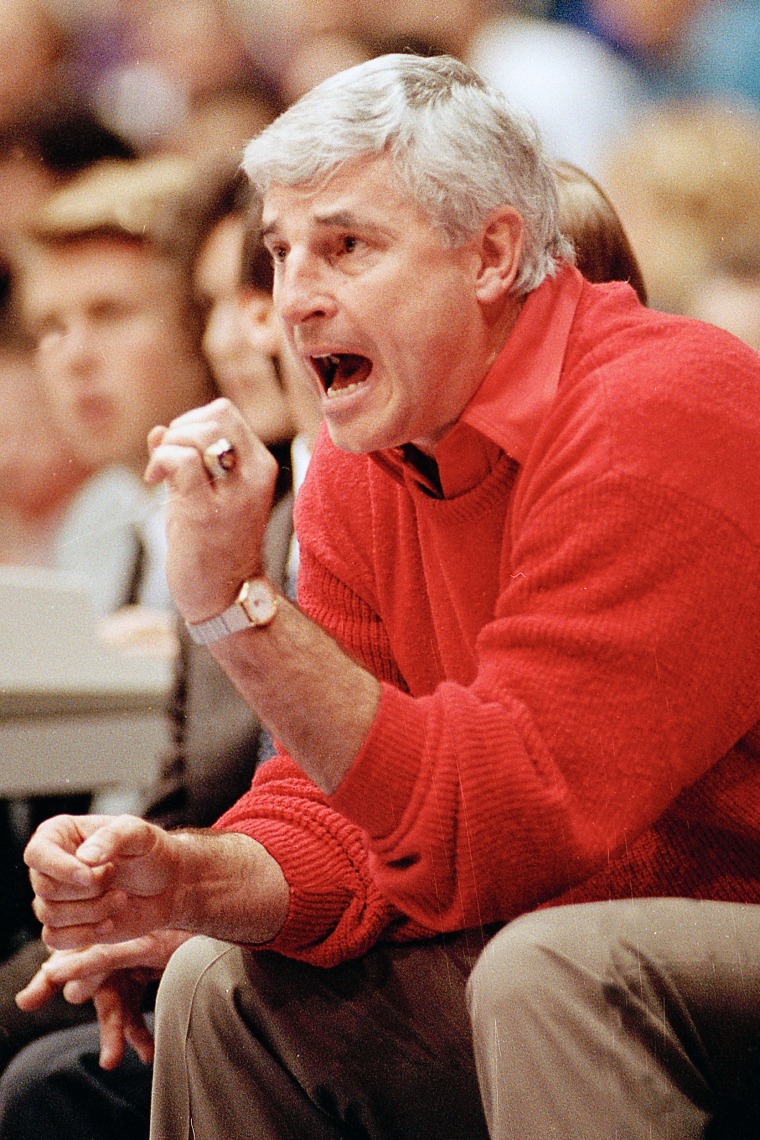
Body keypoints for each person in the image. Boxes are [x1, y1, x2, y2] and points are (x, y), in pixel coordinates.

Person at [6, 53, 760, 1139]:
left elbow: (504, 821)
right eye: (280, 252)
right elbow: (344, 816)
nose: (292, 300)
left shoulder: (660, 405)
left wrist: (237, 605)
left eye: (346, 246)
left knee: (546, 971)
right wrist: (187, 880)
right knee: (218, 985)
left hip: (697, 921)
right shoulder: (367, 462)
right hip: (555, 929)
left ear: (492, 252)